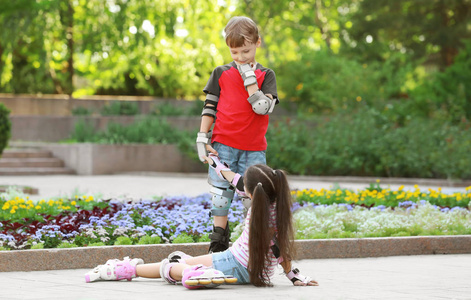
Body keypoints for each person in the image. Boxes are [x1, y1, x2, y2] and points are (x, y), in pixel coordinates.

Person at [85, 154, 318, 289]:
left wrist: (294, 276)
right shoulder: (278, 205)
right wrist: (294, 276)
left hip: (232, 263)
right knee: (181, 259)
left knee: (171, 264)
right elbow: (280, 251)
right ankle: (191, 270)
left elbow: (275, 247)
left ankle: (122, 269)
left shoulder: (262, 215)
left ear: (250, 193)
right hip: (247, 271)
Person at [196, 16, 279, 253]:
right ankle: (218, 244)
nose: (241, 57)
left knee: (254, 199)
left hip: (254, 148)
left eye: (246, 50)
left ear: (257, 43)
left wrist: (249, 78)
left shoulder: (267, 75)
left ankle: (252, 244)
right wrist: (203, 137)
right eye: (235, 53)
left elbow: (262, 107)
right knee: (220, 197)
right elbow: (209, 107)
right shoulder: (220, 73)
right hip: (223, 144)